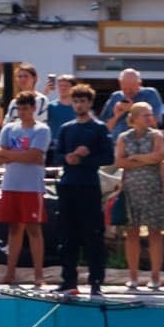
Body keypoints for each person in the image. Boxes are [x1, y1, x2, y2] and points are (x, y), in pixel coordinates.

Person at [54, 85, 115, 295]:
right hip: (68, 185)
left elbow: (108, 157)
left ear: (90, 103)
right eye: (76, 101)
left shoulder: (99, 128)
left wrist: (85, 157)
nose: (79, 105)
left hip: (89, 186)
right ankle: (68, 280)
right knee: (67, 236)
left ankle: (96, 281)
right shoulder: (66, 128)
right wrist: (68, 157)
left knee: (93, 235)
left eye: (83, 101)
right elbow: (57, 155)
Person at [0, 91, 52, 287]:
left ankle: (38, 275)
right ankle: (10, 273)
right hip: (11, 184)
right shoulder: (9, 128)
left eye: (26, 109)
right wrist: (23, 155)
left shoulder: (41, 130)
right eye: (19, 109)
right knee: (13, 229)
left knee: (33, 229)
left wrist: (10, 154)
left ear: (33, 109)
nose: (22, 113)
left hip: (31, 187)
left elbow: (33, 155)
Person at [117, 100, 164, 290]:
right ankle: (133, 276)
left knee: (155, 232)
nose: (150, 118)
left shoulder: (156, 135)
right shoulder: (124, 137)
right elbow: (120, 161)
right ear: (134, 118)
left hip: (153, 190)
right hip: (131, 190)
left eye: (151, 114)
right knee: (131, 232)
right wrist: (145, 160)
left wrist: (135, 158)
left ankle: (155, 276)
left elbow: (158, 156)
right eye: (146, 115)